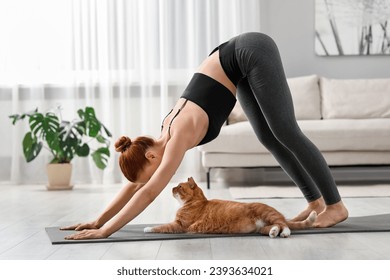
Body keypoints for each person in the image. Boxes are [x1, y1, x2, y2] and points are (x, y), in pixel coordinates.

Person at [62, 32, 348, 240]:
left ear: (150, 156)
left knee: (286, 130)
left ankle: (335, 205)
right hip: (235, 61)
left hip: (250, 50)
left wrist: (105, 232)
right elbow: (137, 185)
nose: (154, 177)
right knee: (269, 137)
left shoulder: (177, 136)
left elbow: (148, 192)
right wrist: (96, 220)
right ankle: (315, 202)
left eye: (150, 171)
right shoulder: (160, 136)